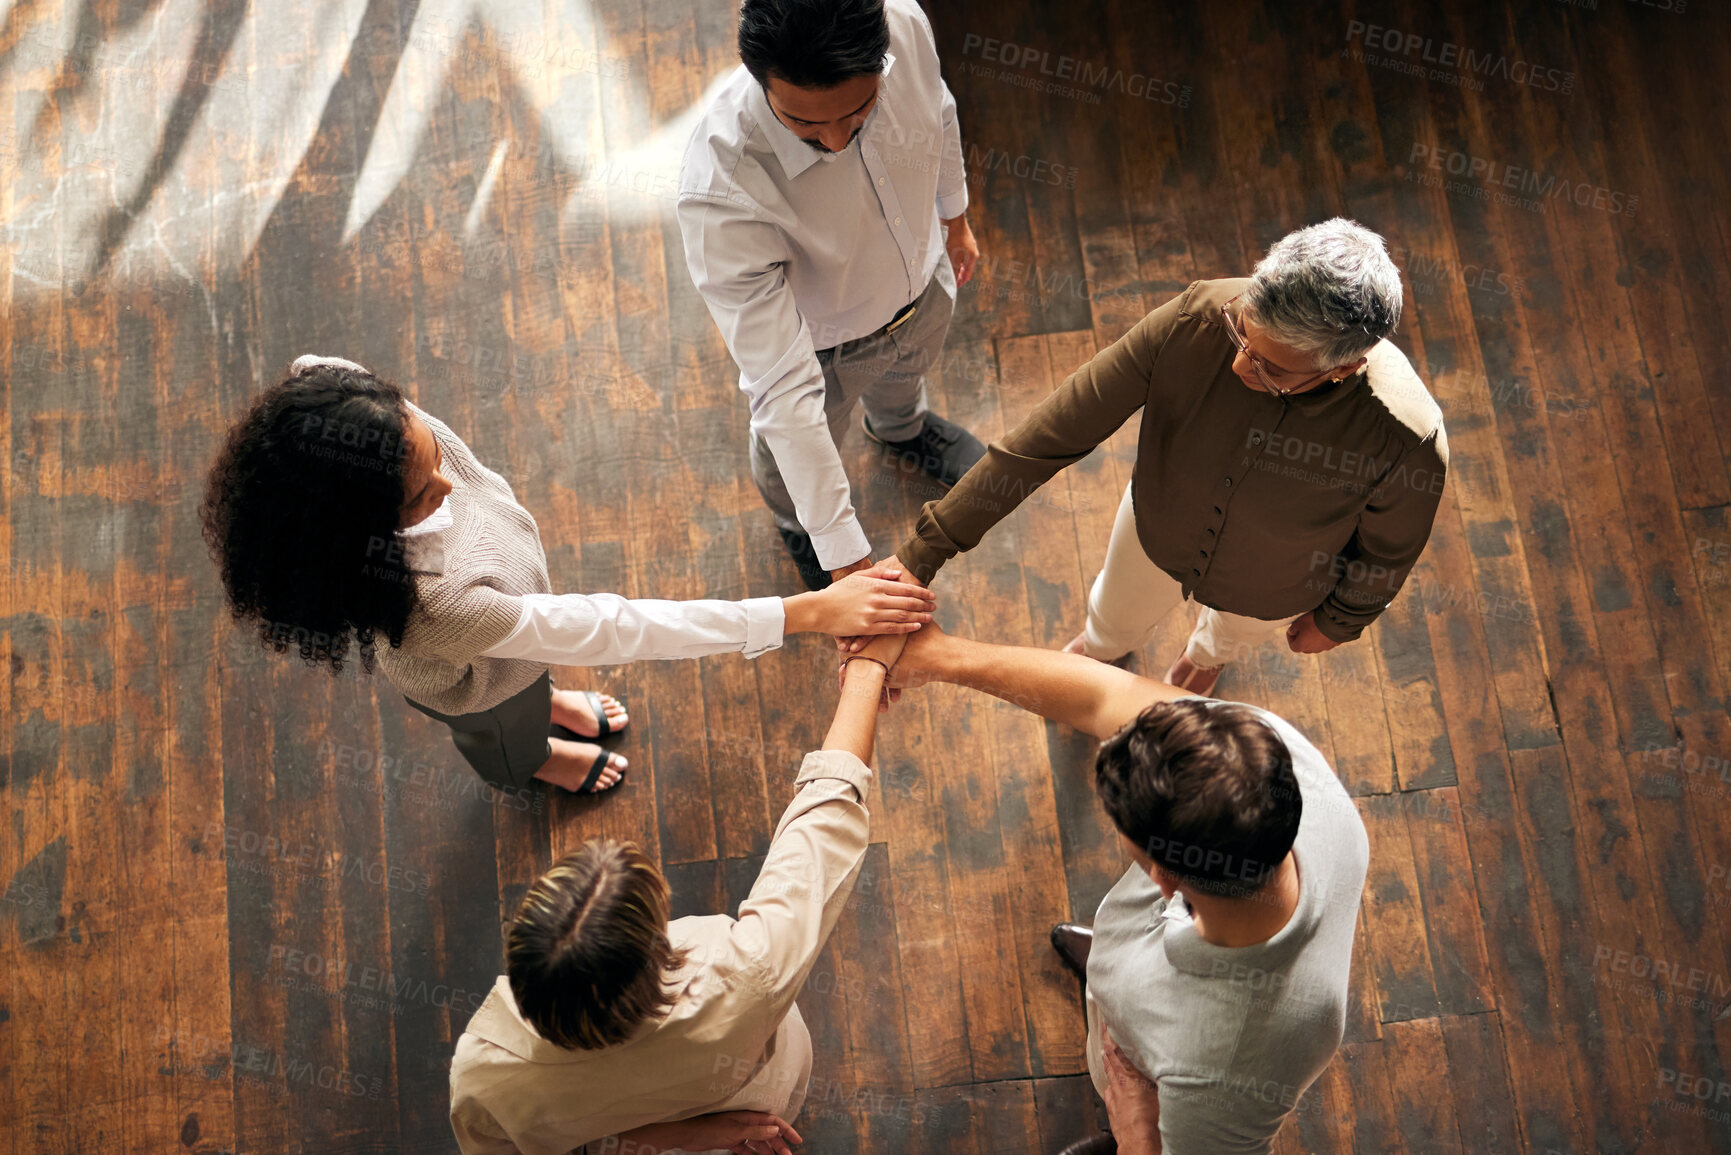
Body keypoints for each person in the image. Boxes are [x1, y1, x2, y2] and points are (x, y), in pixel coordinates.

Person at [200, 355, 933, 795]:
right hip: (475, 683)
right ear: (360, 533)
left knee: (533, 672)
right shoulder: (443, 605)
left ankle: (545, 703)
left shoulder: (341, 397)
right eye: (423, 495)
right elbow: (615, 627)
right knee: (505, 728)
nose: (448, 487)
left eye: (431, 455)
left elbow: (306, 370)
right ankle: (535, 759)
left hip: (513, 634)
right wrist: (809, 611)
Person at [888, 218, 1448, 697]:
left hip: (1273, 584)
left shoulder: (1407, 437)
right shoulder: (1194, 318)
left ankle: (1206, 658)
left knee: (1230, 634)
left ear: (1343, 368)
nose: (1238, 367)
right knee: (1112, 612)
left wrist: (1341, 620)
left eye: (1271, 369)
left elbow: (1388, 551)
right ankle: (1107, 645)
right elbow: (1043, 441)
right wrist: (920, 555)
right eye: (1241, 335)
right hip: (1155, 530)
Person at [883, 622, 1369, 1154]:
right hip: (1148, 976)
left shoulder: (1218, 1071)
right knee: (1111, 980)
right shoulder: (1269, 763)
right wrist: (940, 656)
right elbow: (1102, 697)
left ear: (1163, 878)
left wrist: (1138, 1132)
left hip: (1146, 1080)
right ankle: (1108, 969)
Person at [446, 632, 905, 1153]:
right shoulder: (748, 972)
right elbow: (821, 828)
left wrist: (676, 1136)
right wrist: (867, 669)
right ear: (654, 943)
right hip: (750, 1104)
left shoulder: (482, 1075)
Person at [678, 0, 988, 592]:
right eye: (806, 126)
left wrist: (955, 216)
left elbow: (939, 112)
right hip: (823, 351)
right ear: (759, 76)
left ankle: (901, 429)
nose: (838, 141)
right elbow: (782, 388)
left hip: (923, 286)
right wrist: (844, 555)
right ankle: (799, 523)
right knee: (788, 449)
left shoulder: (904, 23)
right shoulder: (720, 188)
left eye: (860, 111)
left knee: (907, 373)